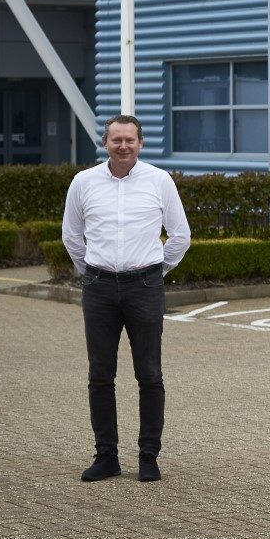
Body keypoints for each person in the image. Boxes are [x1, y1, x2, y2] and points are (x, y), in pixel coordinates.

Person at [61, 114, 191, 483]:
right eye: (116, 140)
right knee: (100, 375)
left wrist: (155, 271)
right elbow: (71, 235)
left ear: (140, 143)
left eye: (129, 140)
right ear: (105, 143)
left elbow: (180, 235)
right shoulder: (83, 182)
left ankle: (148, 456)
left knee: (149, 374)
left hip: (144, 287)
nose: (122, 146)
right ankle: (106, 457)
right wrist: (90, 273)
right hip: (99, 287)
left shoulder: (158, 181)